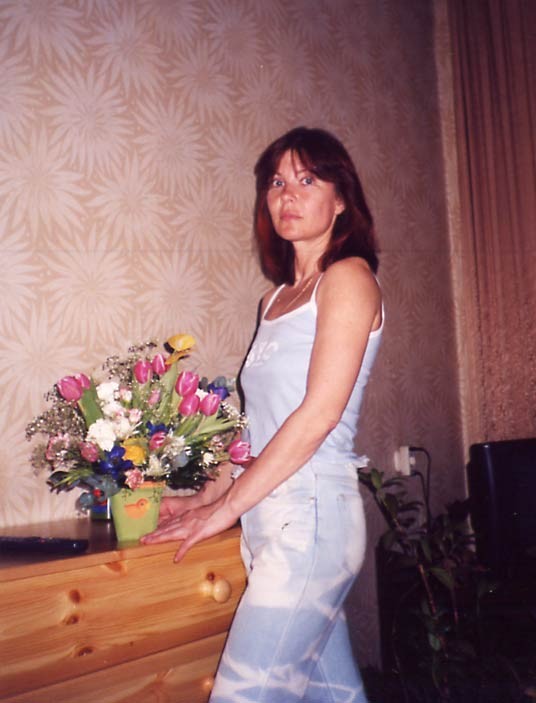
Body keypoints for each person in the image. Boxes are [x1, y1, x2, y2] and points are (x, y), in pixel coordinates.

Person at [142, 126, 383, 702]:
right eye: (276, 182)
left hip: (312, 516)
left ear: (341, 199)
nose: (287, 195)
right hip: (267, 519)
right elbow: (259, 426)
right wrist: (206, 496)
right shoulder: (273, 300)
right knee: (332, 695)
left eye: (307, 180)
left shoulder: (348, 278)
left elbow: (318, 415)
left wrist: (225, 509)